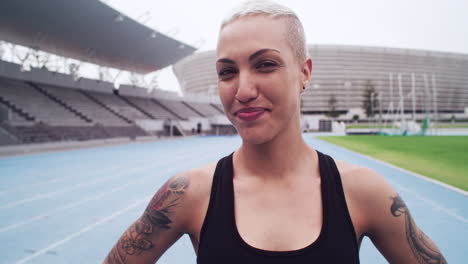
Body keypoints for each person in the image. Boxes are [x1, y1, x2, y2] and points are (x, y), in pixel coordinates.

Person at [104, 0, 446, 263]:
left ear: (305, 72)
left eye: (265, 64)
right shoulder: (188, 193)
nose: (243, 90)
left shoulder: (363, 191)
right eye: (227, 72)